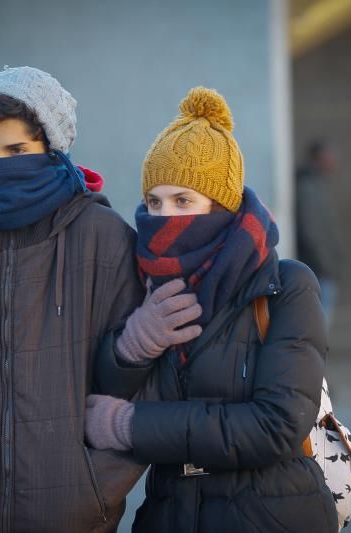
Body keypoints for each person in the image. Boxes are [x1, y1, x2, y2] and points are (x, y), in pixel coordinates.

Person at [0, 66, 198, 533]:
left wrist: (94, 489)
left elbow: (148, 386)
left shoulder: (106, 244)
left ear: (52, 148)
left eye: (18, 150)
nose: (1, 165)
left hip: (78, 519)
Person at [85, 87, 338, 532]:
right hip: (170, 514)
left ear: (220, 205)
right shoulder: (144, 284)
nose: (164, 217)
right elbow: (104, 390)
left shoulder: (285, 286)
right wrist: (132, 347)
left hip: (270, 516)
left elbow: (275, 426)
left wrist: (130, 425)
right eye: (154, 202)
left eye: (184, 201)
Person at [295, 140, 344, 327]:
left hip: (323, 267)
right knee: (317, 325)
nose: (334, 161)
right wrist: (325, 263)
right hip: (317, 267)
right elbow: (311, 230)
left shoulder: (318, 184)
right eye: (329, 157)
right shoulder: (307, 186)